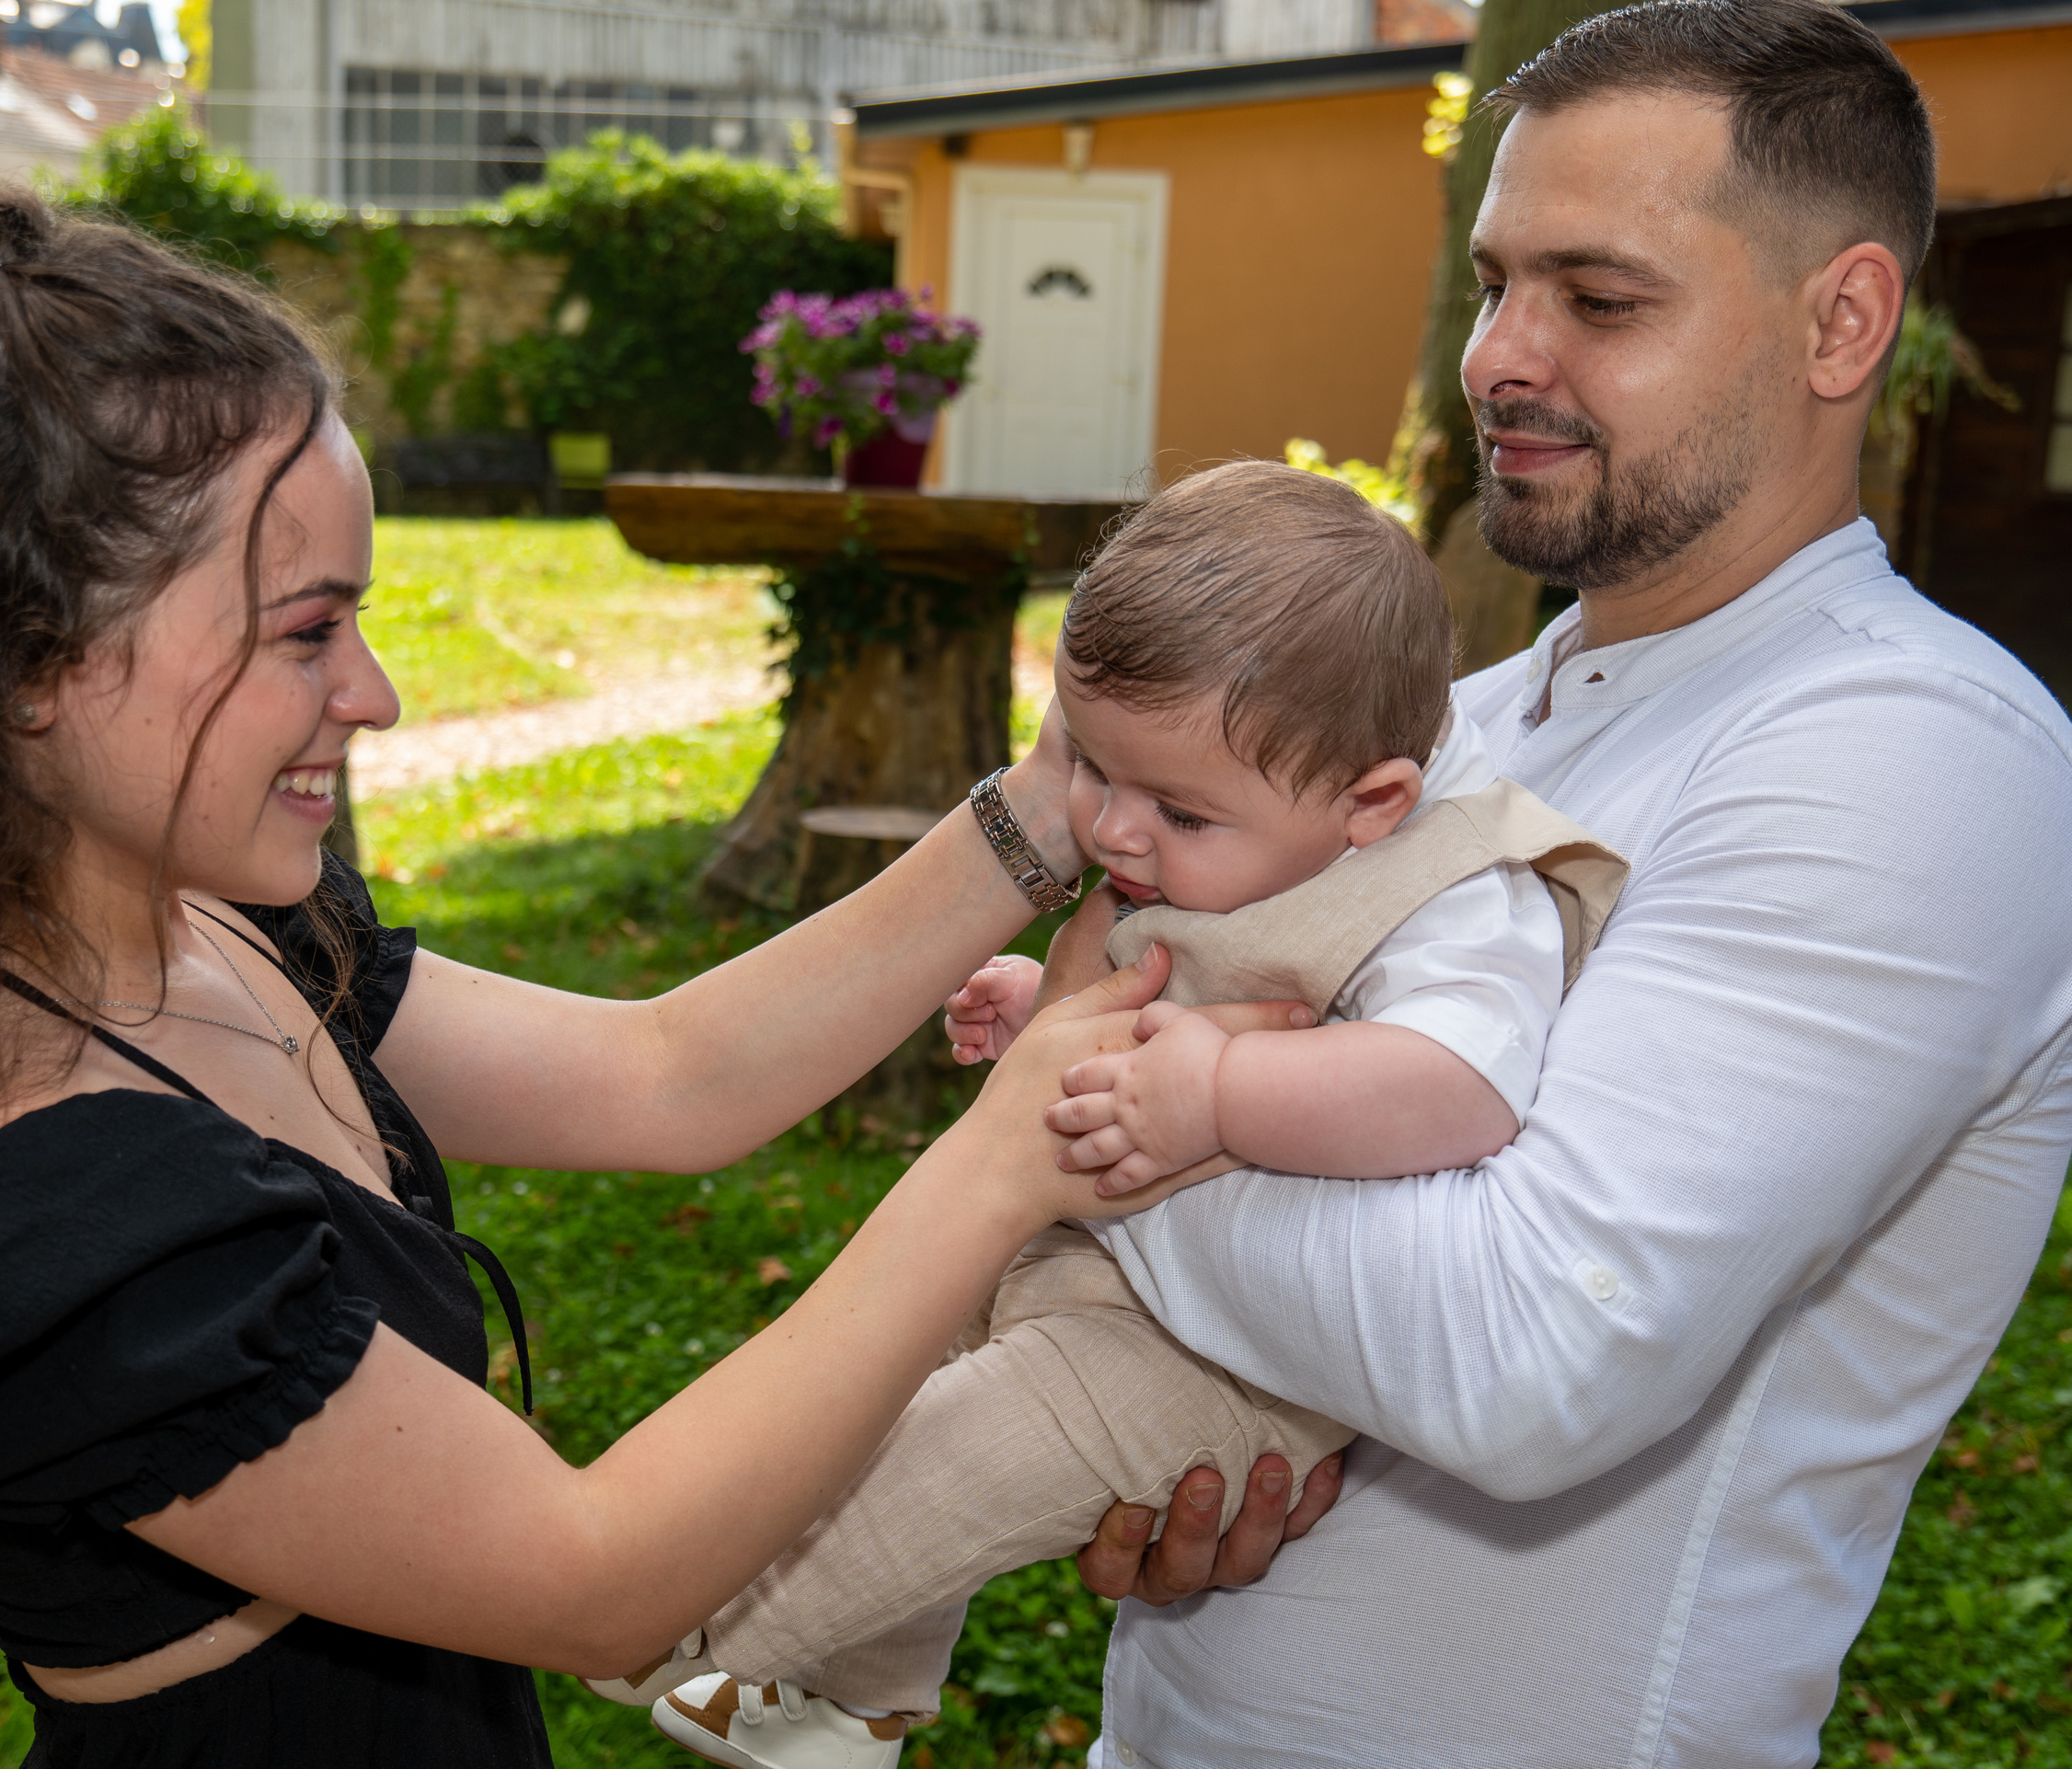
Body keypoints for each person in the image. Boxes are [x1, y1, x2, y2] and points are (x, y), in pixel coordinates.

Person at [0, 188, 1306, 1768]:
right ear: (34, 667)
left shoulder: (219, 932)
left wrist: (1053, 796)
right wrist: (997, 1165)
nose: (380, 694)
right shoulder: (42, 1208)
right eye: (304, 633)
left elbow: (669, 1078)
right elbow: (595, 1578)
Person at [1052, 2, 2072, 1763]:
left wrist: (1079, 1129)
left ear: (1843, 321)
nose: (1503, 357)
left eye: (1599, 301)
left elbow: (1525, 1353)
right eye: (1495, 282)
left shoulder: (1917, 753)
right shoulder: (1441, 729)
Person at [606, 459, 1626, 1768]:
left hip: (1215, 1353)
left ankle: (659, 1614)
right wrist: (1048, 1008)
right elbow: (1175, 972)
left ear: (1375, 801)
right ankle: (849, 1706)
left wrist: (1215, 1088)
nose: (1114, 831)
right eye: (1092, 768)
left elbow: (1459, 1087)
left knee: (940, 1467)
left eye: (1178, 810)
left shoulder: (1455, 888)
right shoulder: (1259, 823)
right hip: (1091, 1265)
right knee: (878, 1386)